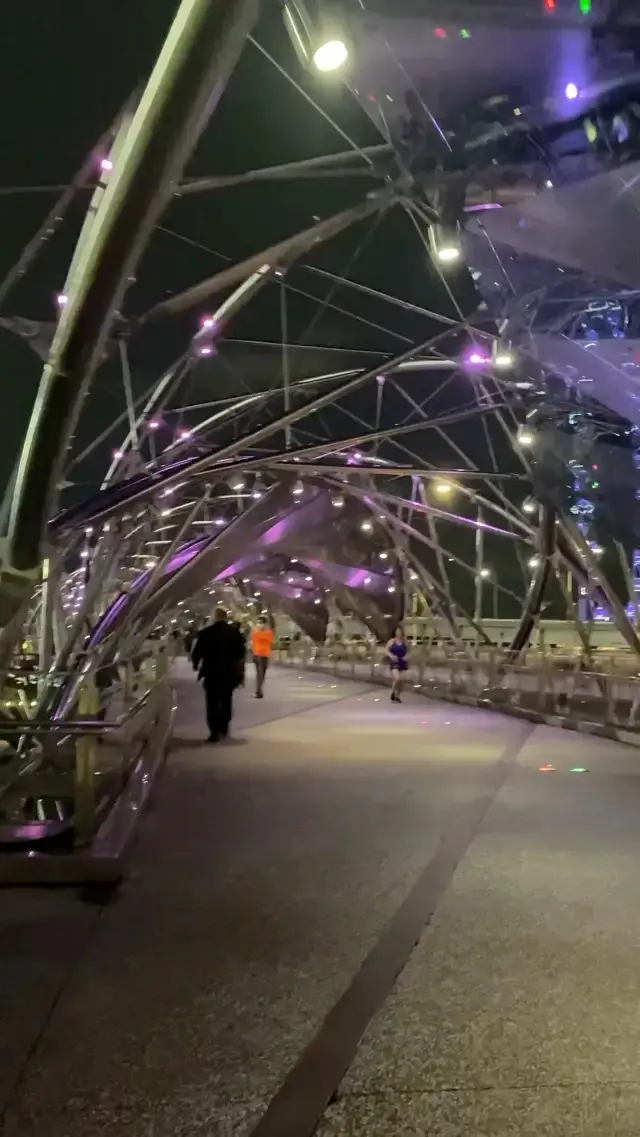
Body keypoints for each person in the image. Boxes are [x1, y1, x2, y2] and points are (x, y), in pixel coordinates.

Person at [191, 608, 246, 742]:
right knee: (227, 698)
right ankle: (224, 725)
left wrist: (196, 664)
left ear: (214, 617)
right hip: (229, 672)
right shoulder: (235, 633)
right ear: (226, 617)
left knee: (212, 701)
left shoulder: (205, 633)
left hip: (211, 672)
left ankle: (213, 730)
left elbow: (197, 652)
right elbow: (241, 654)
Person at [250, 616, 274, 698]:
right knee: (259, 674)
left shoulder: (268, 633)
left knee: (262, 674)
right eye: (258, 623)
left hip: (265, 655)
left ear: (265, 624)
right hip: (257, 655)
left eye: (261, 623)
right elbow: (255, 638)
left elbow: (266, 639)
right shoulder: (255, 632)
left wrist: (254, 628)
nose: (259, 624)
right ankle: (258, 691)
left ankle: (259, 690)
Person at [385, 627, 408, 703]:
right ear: (395, 632)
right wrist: (391, 656)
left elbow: (410, 651)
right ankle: (393, 692)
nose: (398, 633)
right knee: (397, 678)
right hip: (394, 661)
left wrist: (407, 656)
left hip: (403, 661)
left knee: (402, 680)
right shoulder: (391, 641)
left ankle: (397, 696)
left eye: (400, 631)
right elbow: (386, 650)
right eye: (397, 631)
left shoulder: (404, 641)